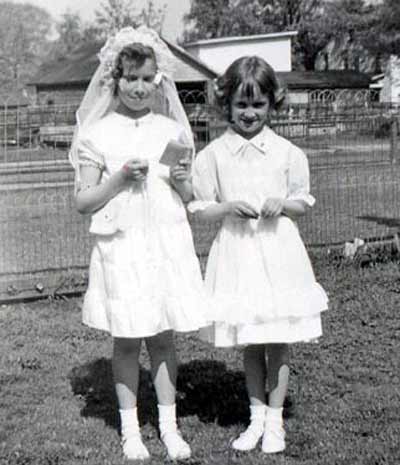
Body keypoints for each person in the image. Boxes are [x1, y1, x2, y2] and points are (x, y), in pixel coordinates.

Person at [69, 26, 208, 462]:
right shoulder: (98, 134)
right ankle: (132, 431)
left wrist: (185, 184)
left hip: (165, 242)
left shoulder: (172, 130)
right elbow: (82, 202)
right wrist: (117, 179)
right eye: (130, 78)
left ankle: (168, 426)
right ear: (115, 80)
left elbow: (190, 200)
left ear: (159, 81)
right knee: (128, 338)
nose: (139, 87)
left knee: (164, 337)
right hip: (123, 246)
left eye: (148, 79)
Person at [188, 56, 328, 455]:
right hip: (238, 252)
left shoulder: (287, 152)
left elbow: (303, 203)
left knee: (278, 338)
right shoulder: (213, 155)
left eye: (258, 105)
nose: (249, 114)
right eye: (241, 105)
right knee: (251, 339)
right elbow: (201, 208)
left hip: (278, 252)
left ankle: (276, 421)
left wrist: (280, 202)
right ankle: (255, 417)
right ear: (226, 105)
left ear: (272, 104)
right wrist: (229, 206)